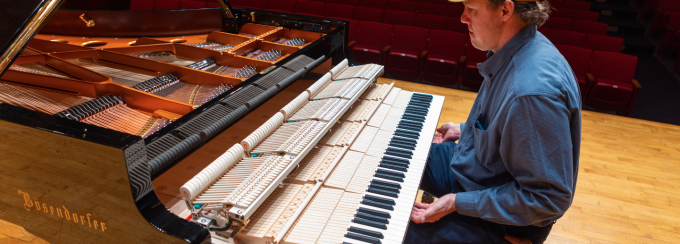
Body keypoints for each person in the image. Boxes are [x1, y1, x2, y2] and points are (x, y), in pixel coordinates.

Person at [404, 0, 582, 243]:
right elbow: (509, 127)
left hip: (502, 217)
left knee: (393, 232)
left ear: (505, 10)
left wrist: (457, 203)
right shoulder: (517, 48)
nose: (463, 17)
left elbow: (548, 199)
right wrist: (463, 129)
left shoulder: (532, 92)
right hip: (476, 172)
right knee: (398, 153)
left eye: (472, 8)